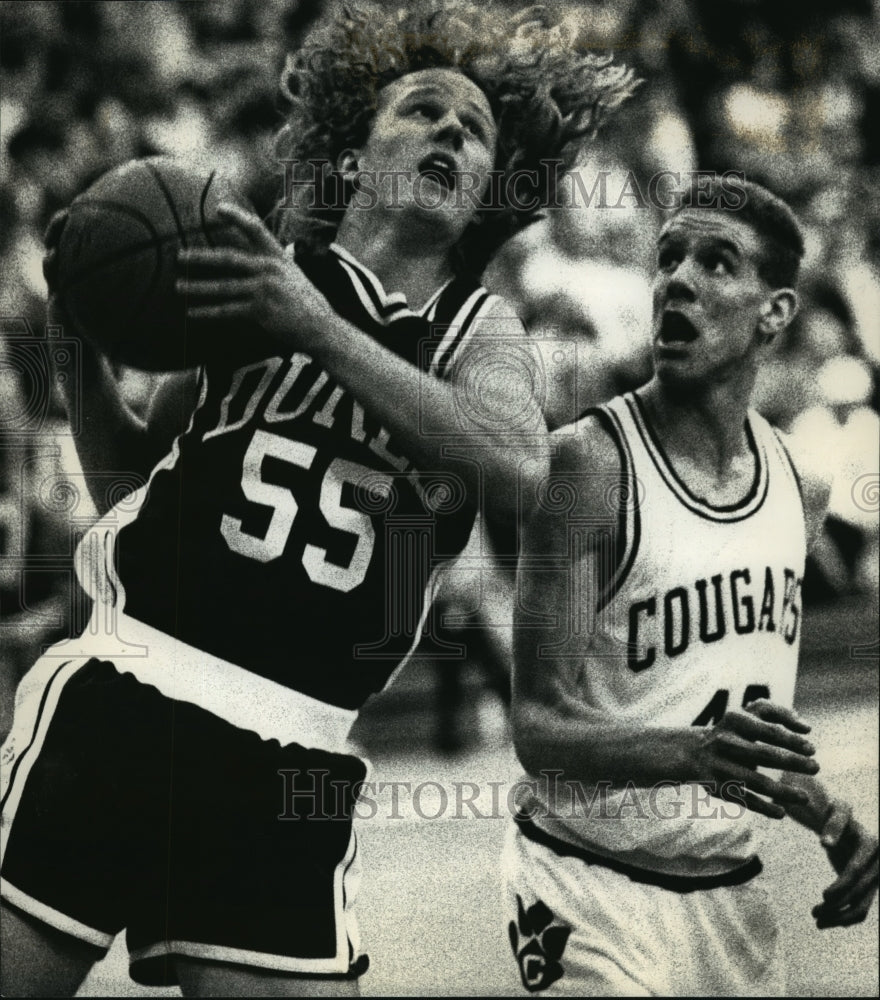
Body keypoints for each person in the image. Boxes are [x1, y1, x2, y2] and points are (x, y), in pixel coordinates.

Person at [0, 4, 637, 996]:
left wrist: (312, 326)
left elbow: (517, 467)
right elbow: (135, 488)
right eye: (423, 109)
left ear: (483, 199)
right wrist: (76, 349)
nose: (453, 131)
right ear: (347, 161)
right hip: (125, 693)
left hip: (289, 751)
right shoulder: (255, 277)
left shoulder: (476, 329)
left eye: (474, 130)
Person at [505, 175, 879, 996]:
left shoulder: (798, 487)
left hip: (727, 894)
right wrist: (695, 755)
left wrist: (825, 810)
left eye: (717, 263)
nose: (678, 279)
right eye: (669, 257)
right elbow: (537, 727)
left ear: (774, 312)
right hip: (584, 879)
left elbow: (725, 708)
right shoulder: (587, 465)